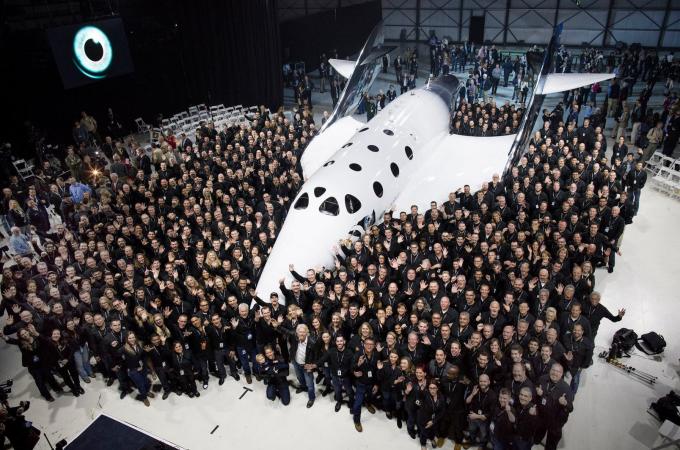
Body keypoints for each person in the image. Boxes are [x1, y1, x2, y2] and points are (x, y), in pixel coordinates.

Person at [534, 363, 574, 450]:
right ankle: (536, 440)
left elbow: (571, 408)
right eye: (553, 370)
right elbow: (536, 386)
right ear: (550, 370)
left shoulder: (566, 389)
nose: (555, 373)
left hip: (556, 420)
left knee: (552, 440)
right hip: (542, 415)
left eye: (558, 372)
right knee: (539, 430)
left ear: (562, 374)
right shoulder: (542, 379)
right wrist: (537, 390)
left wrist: (565, 403)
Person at [351, 337, 379, 432]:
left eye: (371, 344)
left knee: (370, 396)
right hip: (361, 383)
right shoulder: (358, 354)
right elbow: (351, 368)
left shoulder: (376, 355)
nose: (369, 346)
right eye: (367, 344)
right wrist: (358, 365)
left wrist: (377, 384)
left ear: (374, 346)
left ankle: (368, 404)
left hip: (371, 383)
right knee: (357, 404)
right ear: (363, 344)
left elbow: (377, 371)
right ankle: (356, 420)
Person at [289, 324, 318, 408]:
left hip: (307, 366)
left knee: (310, 383)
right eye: (299, 332)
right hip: (296, 362)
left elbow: (316, 356)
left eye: (303, 332)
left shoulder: (312, 342)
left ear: (307, 333)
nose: (301, 334)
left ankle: (311, 398)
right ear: (297, 333)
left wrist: (312, 366)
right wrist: (277, 326)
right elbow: (286, 332)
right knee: (299, 377)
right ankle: (303, 387)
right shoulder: (295, 338)